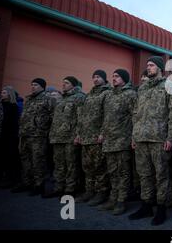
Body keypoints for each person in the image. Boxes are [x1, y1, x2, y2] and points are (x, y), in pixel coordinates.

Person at [129, 56, 172, 225]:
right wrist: (134, 136)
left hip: (158, 138)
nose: (148, 67)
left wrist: (170, 138)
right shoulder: (142, 88)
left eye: (151, 65)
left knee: (161, 175)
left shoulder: (168, 86)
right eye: (147, 65)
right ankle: (146, 205)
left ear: (160, 68)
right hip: (141, 137)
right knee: (144, 174)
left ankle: (161, 209)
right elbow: (136, 113)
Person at [97, 69, 136, 215]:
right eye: (112, 76)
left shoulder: (130, 94)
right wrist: (102, 133)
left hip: (122, 140)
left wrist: (133, 137)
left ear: (124, 79)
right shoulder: (109, 95)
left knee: (123, 172)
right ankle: (113, 198)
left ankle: (121, 201)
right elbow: (105, 117)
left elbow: (135, 116)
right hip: (109, 140)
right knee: (112, 171)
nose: (113, 79)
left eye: (117, 76)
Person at [74, 70, 111, 206]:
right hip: (86, 136)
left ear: (104, 79)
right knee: (87, 166)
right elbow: (82, 116)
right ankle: (89, 191)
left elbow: (107, 115)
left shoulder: (107, 93)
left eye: (98, 77)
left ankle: (101, 192)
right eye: (94, 77)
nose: (95, 79)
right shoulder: (89, 94)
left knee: (99, 166)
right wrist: (79, 134)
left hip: (97, 137)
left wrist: (102, 133)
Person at [13, 78, 54, 195]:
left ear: (42, 86)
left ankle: (39, 184)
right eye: (32, 85)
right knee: (25, 159)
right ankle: (26, 182)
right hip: (24, 134)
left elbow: (52, 116)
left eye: (35, 85)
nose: (32, 87)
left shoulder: (48, 99)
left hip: (38, 135)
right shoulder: (29, 99)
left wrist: (46, 131)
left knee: (37, 160)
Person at [45, 77, 85, 198]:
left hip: (70, 137)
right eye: (63, 83)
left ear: (73, 85)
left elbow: (81, 118)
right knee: (59, 164)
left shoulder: (79, 97)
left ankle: (70, 189)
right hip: (58, 137)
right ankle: (59, 187)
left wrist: (78, 134)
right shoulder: (62, 98)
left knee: (71, 164)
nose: (63, 85)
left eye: (66, 83)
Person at [0, 86, 21, 188]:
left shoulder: (13, 107)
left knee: (9, 158)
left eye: (4, 92)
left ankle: (10, 179)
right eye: (1, 92)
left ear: (9, 94)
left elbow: (13, 123)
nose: (1, 94)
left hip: (9, 136)